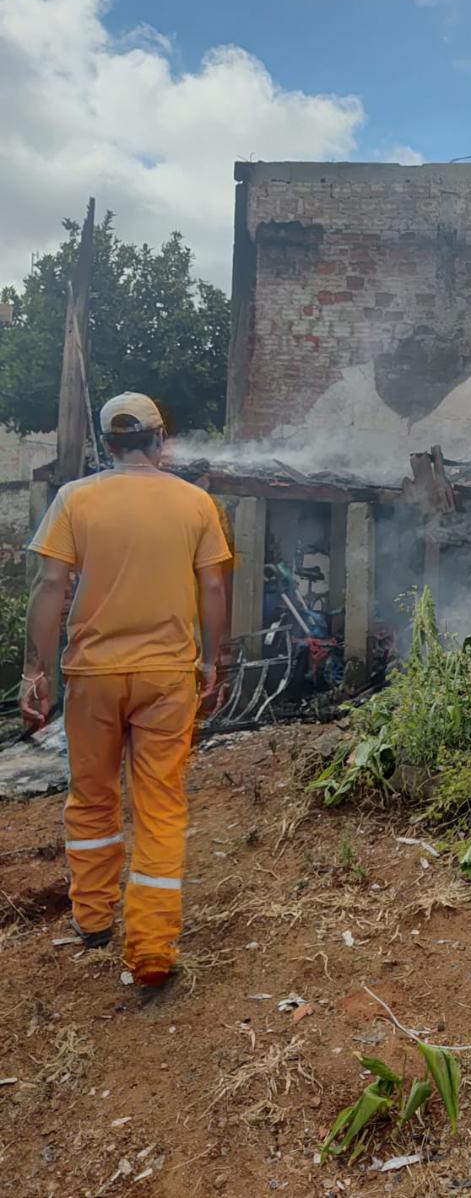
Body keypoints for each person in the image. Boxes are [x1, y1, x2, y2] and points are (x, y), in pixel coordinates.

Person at [19, 393, 231, 988]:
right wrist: (216, 661)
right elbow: (213, 589)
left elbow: (49, 585)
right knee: (160, 806)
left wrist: (36, 672)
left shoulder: (75, 500)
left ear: (106, 445)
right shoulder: (195, 503)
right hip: (168, 677)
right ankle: (152, 948)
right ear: (162, 440)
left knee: (91, 798)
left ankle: (92, 921)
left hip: (92, 676)